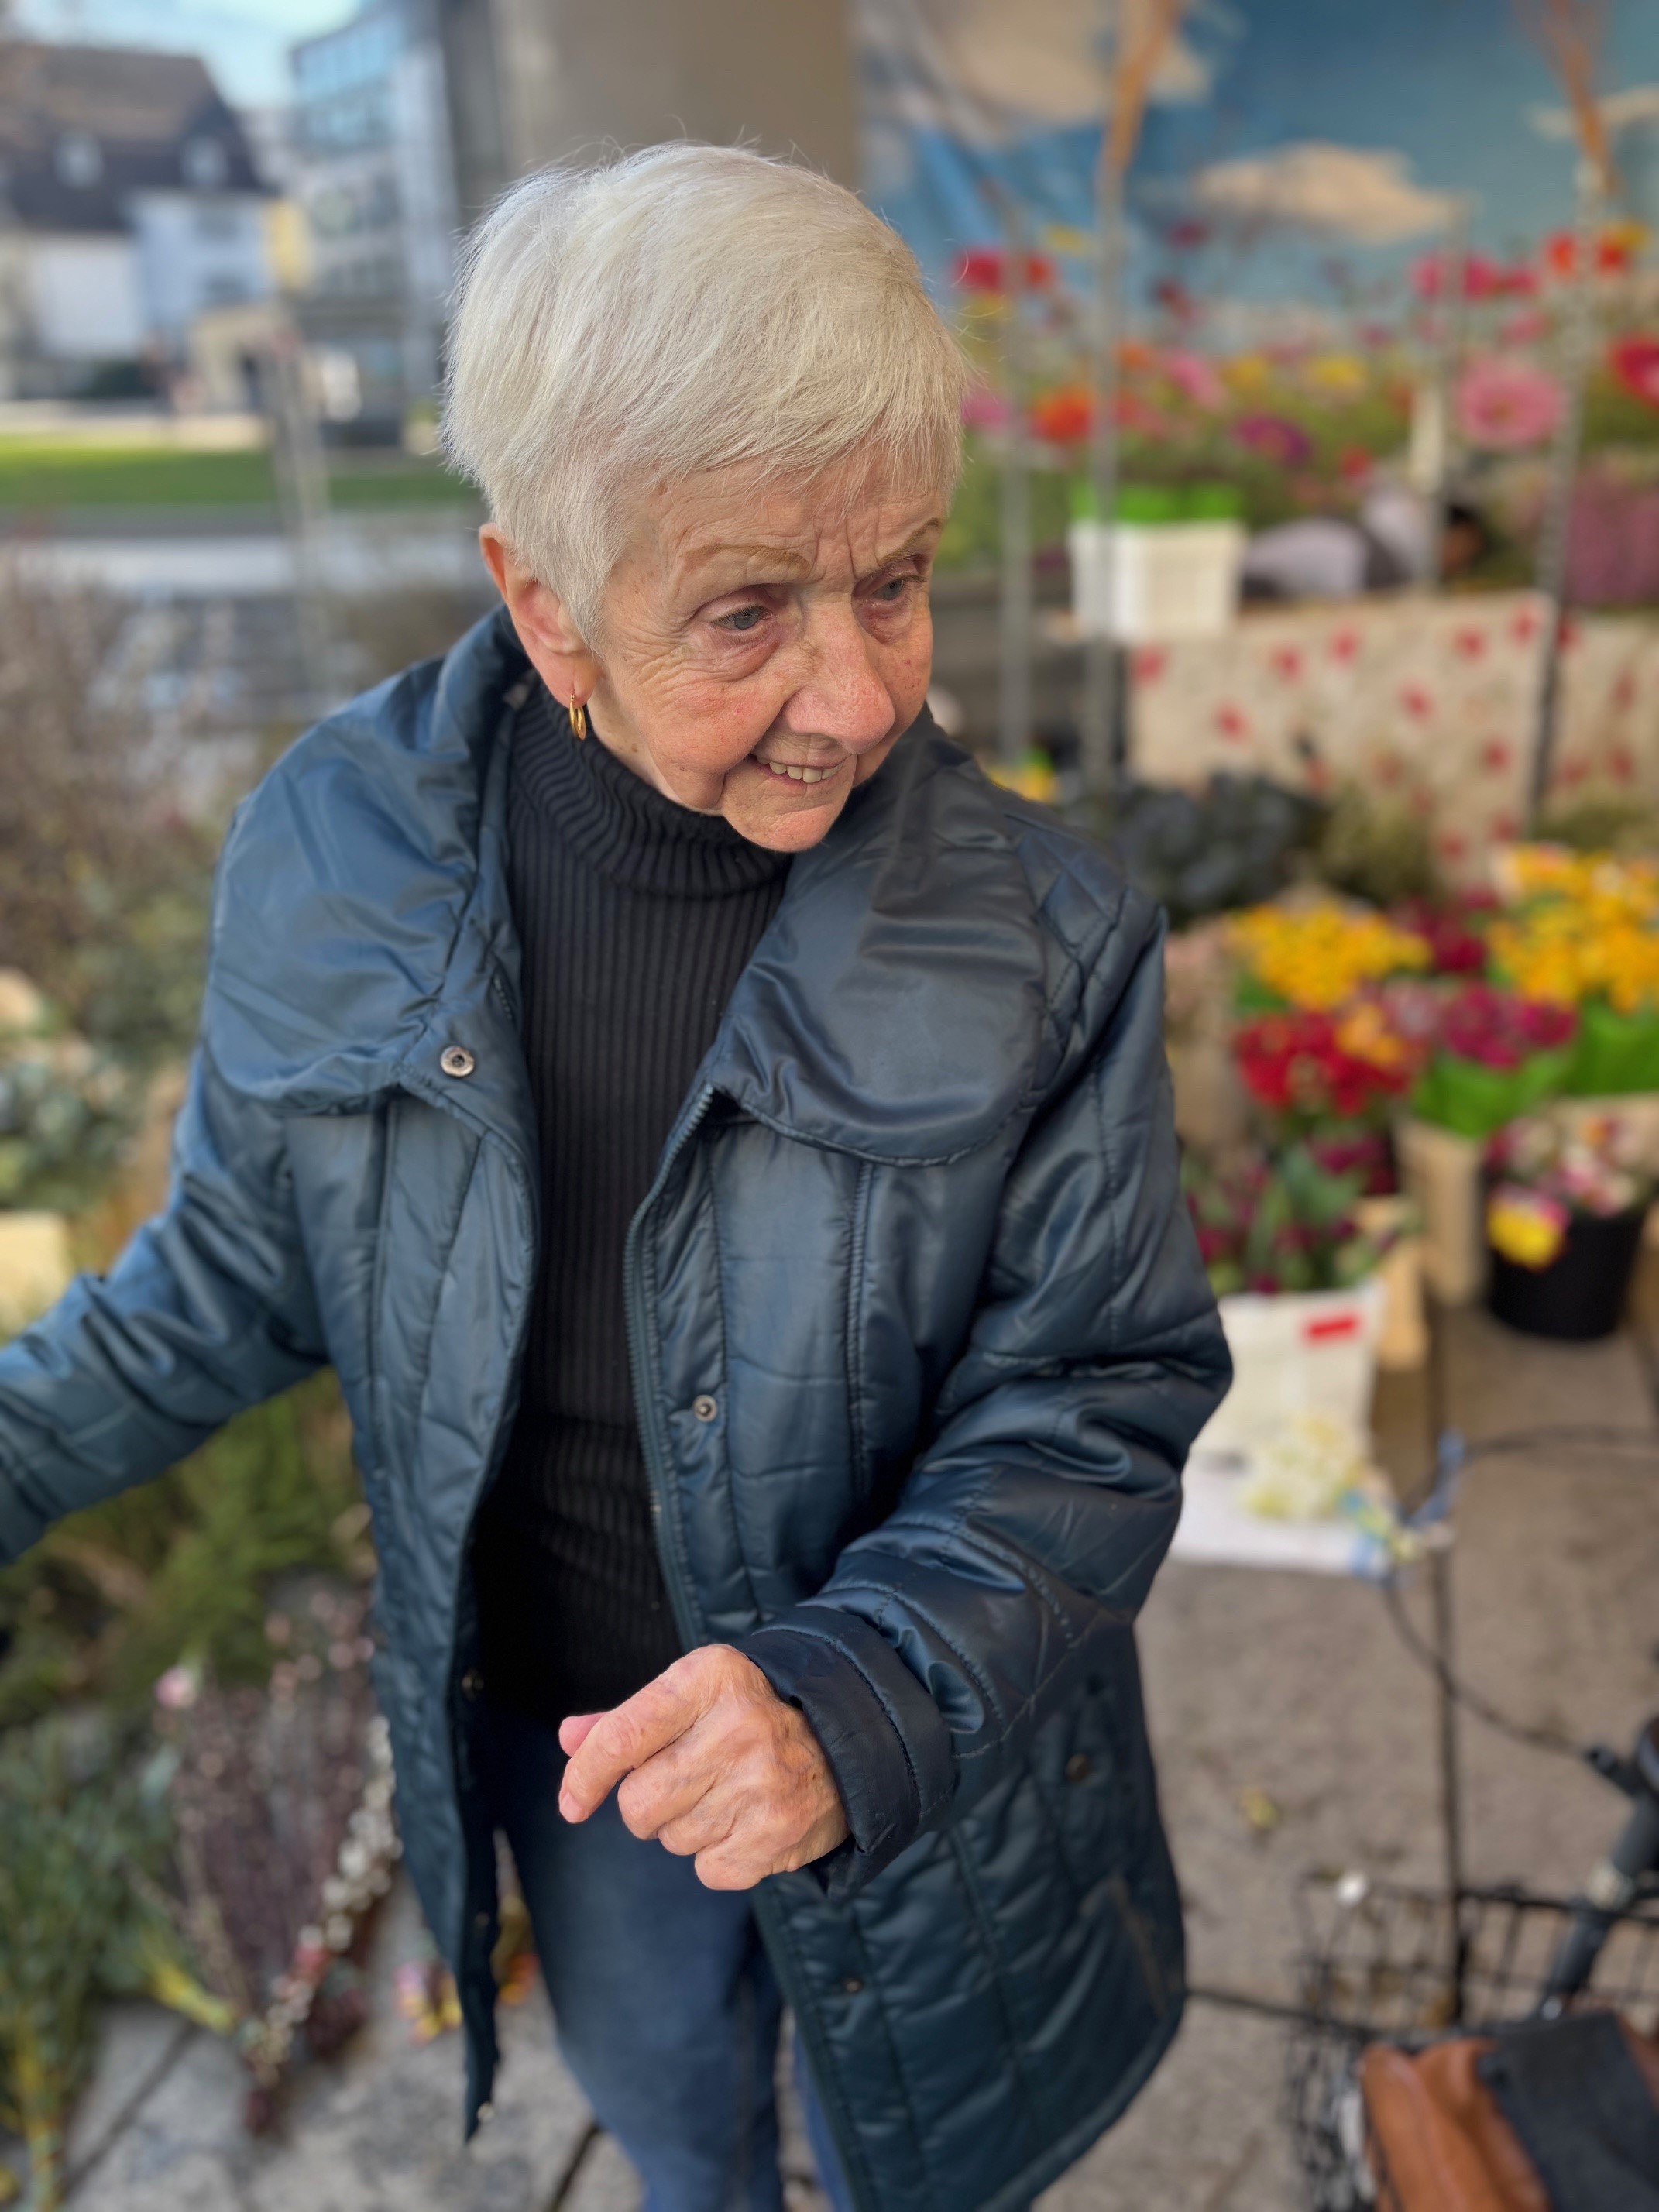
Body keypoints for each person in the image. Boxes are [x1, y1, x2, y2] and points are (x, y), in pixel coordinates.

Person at [0, 148, 1229, 2212]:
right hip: (581, 1760)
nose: (858, 692)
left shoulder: (1046, 940)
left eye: (896, 578)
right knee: (677, 2132)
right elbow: (229, 1273)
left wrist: (848, 1699)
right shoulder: (332, 851)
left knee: (929, 2163)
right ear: (541, 597)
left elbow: (1093, 1403)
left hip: (925, 1761)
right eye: (747, 609)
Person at [1242, 482, 1492, 603]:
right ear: (1446, 532)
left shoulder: (1375, 544)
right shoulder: (1375, 558)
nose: (1462, 567)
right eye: (1464, 550)